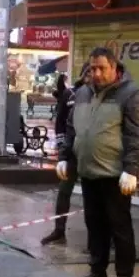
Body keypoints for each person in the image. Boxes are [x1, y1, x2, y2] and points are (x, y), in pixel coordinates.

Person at [57, 46, 139, 277]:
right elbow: (71, 128)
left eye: (102, 68)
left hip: (115, 175)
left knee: (119, 226)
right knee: (94, 225)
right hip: (88, 172)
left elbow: (136, 134)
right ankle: (97, 271)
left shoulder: (131, 93)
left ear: (114, 67)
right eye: (93, 68)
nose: (96, 73)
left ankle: (124, 276)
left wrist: (131, 169)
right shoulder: (83, 93)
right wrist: (65, 157)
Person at [42, 67, 87, 246]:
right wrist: (62, 151)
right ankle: (59, 230)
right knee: (64, 192)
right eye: (88, 72)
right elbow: (60, 123)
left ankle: (102, 238)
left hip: (91, 154)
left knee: (95, 197)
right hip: (71, 153)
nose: (91, 76)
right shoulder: (70, 94)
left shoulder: (99, 96)